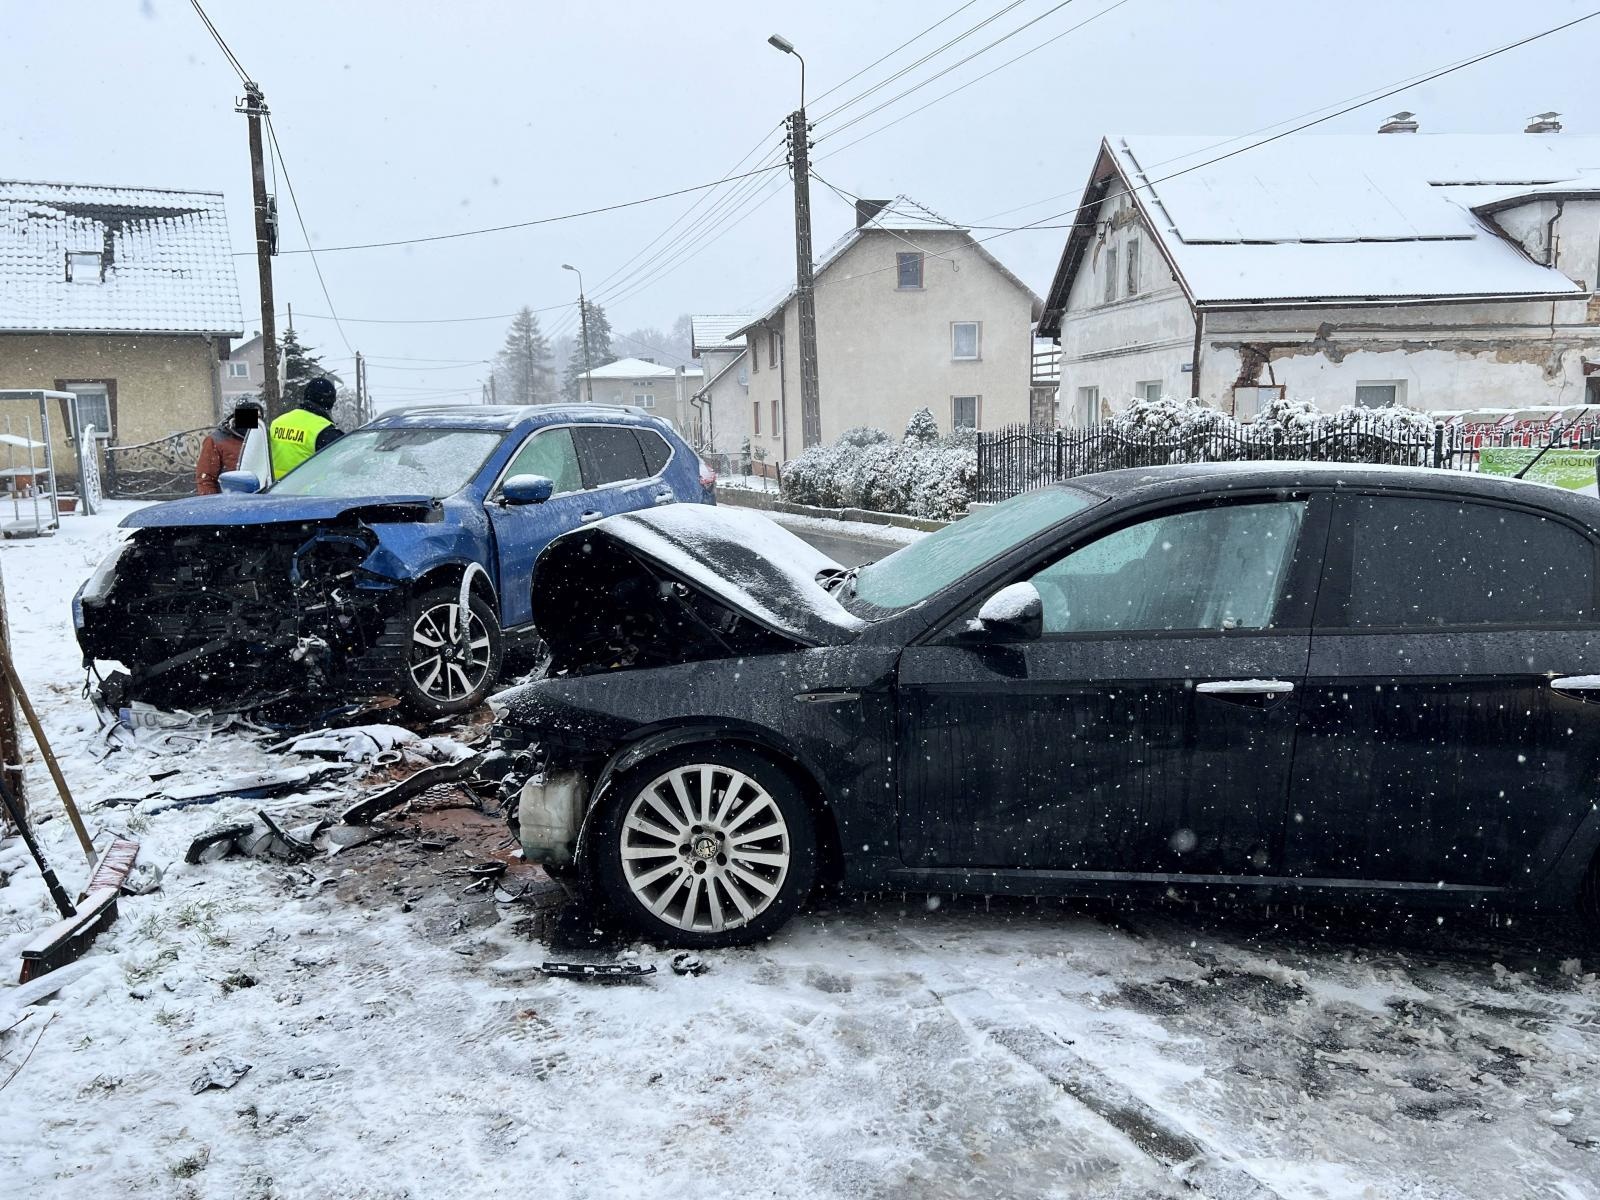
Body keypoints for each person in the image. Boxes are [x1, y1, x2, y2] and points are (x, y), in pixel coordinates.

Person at [269, 376, 344, 480]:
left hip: (275, 487)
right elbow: (347, 465)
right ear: (330, 403)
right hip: (309, 489)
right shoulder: (325, 431)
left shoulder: (277, 423)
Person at [195, 398, 264, 495]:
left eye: (258, 417)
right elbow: (206, 479)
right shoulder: (216, 441)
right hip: (229, 499)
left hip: (261, 498)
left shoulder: (263, 438)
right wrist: (212, 502)